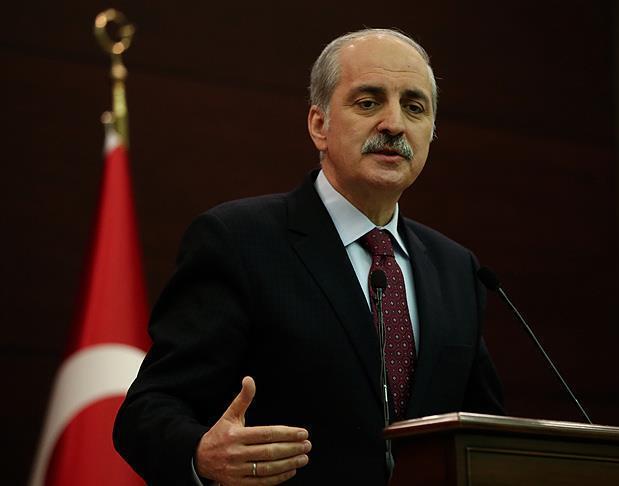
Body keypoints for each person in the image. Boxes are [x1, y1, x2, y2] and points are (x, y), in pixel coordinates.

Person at [113, 28, 504, 485]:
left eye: (414, 108)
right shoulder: (238, 240)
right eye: (368, 102)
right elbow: (148, 410)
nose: (394, 124)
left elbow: (488, 440)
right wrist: (201, 454)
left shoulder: (456, 269)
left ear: (431, 134)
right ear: (320, 125)